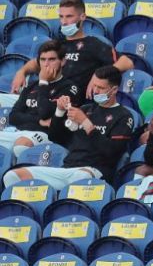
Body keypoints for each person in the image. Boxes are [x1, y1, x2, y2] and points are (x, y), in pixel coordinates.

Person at [3, 66, 133, 189]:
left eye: (101, 88)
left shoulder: (124, 116)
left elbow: (112, 152)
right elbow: (55, 137)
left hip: (93, 171)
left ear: (114, 90)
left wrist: (86, 124)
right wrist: (59, 112)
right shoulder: (86, 109)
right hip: (66, 169)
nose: (96, 91)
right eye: (95, 86)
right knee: (13, 176)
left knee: (80, 176)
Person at [10, 0, 133, 98]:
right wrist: (22, 72)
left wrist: (99, 76)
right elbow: (36, 63)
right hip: (45, 97)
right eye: (61, 17)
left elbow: (126, 62)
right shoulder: (57, 44)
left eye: (69, 16)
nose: (64, 22)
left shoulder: (93, 44)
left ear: (82, 17)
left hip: (73, 104)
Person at [0, 40, 81, 157]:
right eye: (43, 60)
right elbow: (13, 117)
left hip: (45, 135)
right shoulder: (32, 86)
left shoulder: (69, 88)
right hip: (19, 131)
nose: (46, 64)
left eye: (52, 59)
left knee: (21, 145)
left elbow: (45, 112)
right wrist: (38, 121)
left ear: (62, 61)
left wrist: (43, 83)